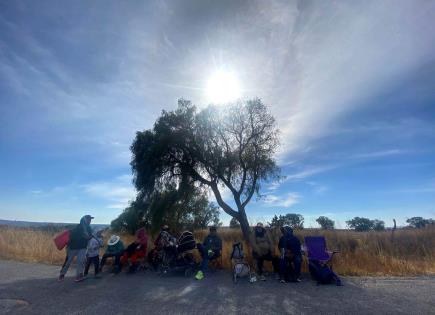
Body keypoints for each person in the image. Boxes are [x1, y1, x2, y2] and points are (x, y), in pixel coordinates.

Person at [58, 215, 93, 282]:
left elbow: (88, 237)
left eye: (90, 219)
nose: (90, 221)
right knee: (68, 261)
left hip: (82, 247)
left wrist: (89, 237)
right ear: (84, 220)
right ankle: (62, 274)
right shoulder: (78, 227)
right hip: (73, 247)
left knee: (81, 261)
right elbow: (85, 236)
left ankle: (79, 276)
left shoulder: (88, 228)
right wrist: (88, 237)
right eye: (89, 219)